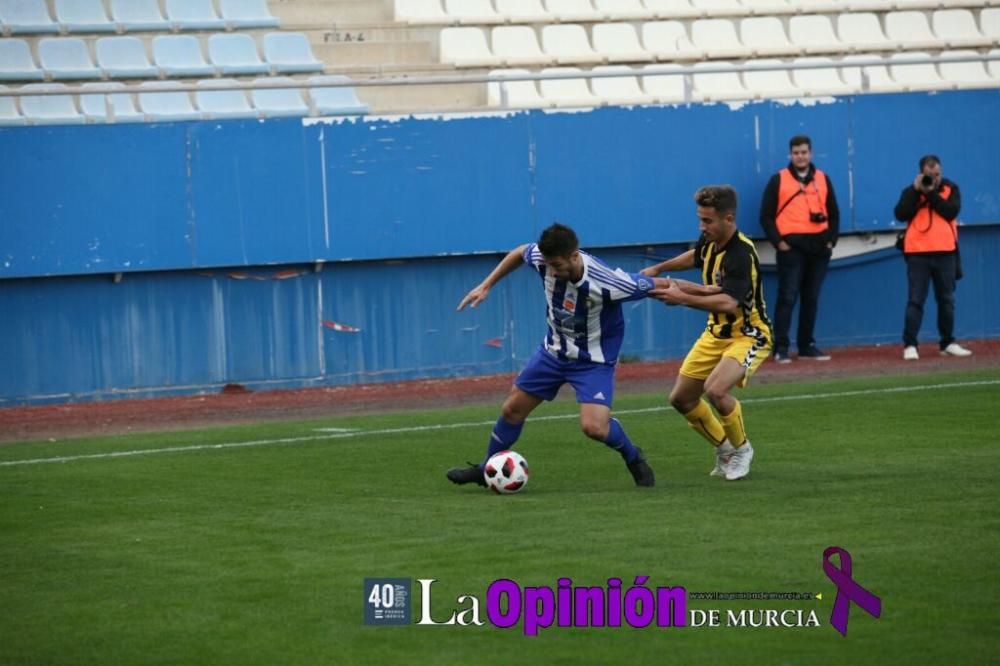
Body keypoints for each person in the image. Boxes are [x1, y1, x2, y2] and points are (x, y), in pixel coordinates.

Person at [446, 223, 666, 489]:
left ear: (574, 256)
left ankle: (634, 457)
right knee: (512, 408)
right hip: (554, 353)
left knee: (594, 427)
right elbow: (519, 252)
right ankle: (486, 469)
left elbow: (665, 285)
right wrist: (486, 285)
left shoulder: (607, 280)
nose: (551, 270)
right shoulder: (544, 258)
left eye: (557, 265)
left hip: (592, 361)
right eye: (548, 264)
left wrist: (712, 295)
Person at [642, 185, 771, 481]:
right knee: (681, 399)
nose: (702, 227)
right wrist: (657, 269)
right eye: (700, 220)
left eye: (708, 221)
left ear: (728, 219)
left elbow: (728, 301)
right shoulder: (710, 239)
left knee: (715, 390)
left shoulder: (742, 253)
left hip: (748, 334)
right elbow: (695, 256)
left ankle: (742, 449)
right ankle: (724, 449)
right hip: (715, 334)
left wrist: (682, 298)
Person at [759, 134, 840, 364]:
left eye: (804, 152)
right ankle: (781, 348)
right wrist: (780, 243)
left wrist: (830, 240)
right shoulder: (779, 179)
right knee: (787, 297)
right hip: (791, 248)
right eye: (796, 153)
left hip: (819, 247)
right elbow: (765, 216)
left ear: (811, 153)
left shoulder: (823, 179)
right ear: (790, 154)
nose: (800, 156)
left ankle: (806, 346)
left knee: (811, 298)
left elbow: (834, 213)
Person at [894, 155, 972, 361]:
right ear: (921, 174)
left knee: (946, 300)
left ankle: (947, 342)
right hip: (917, 253)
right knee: (915, 300)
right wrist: (916, 191)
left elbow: (950, 211)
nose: (934, 179)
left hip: (945, 252)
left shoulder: (950, 189)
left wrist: (931, 195)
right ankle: (910, 344)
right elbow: (901, 213)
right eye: (930, 176)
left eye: (937, 174)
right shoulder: (911, 191)